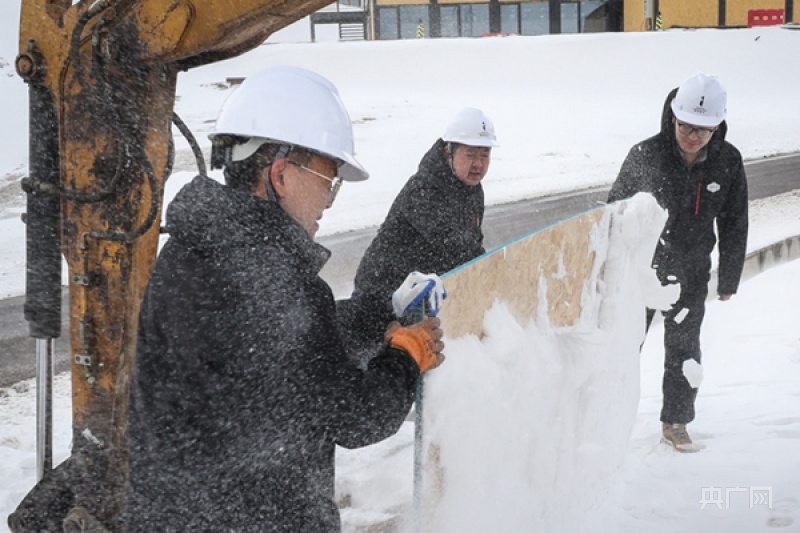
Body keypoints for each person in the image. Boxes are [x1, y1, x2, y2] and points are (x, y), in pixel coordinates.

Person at [124, 66, 446, 532]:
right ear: (280, 173)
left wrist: (372, 316)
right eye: (328, 179)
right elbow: (356, 415)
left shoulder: (194, 251)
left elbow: (277, 359)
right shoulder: (271, 280)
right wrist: (405, 357)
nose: (330, 201)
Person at [607, 73, 748, 452]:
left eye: (703, 130)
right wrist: (610, 271)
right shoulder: (645, 155)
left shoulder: (728, 161)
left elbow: (735, 221)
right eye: (686, 126)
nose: (692, 137)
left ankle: (676, 422)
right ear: (673, 117)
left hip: (691, 271)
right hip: (642, 271)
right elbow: (613, 214)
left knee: (685, 349)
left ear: (716, 126)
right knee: (622, 346)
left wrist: (729, 278)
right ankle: (604, 420)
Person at [339, 107, 496, 360]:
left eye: (485, 154)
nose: (478, 164)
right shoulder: (424, 190)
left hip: (421, 296)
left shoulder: (471, 188)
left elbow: (471, 243)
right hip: (382, 298)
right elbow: (457, 248)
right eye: (470, 154)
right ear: (449, 151)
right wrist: (493, 270)